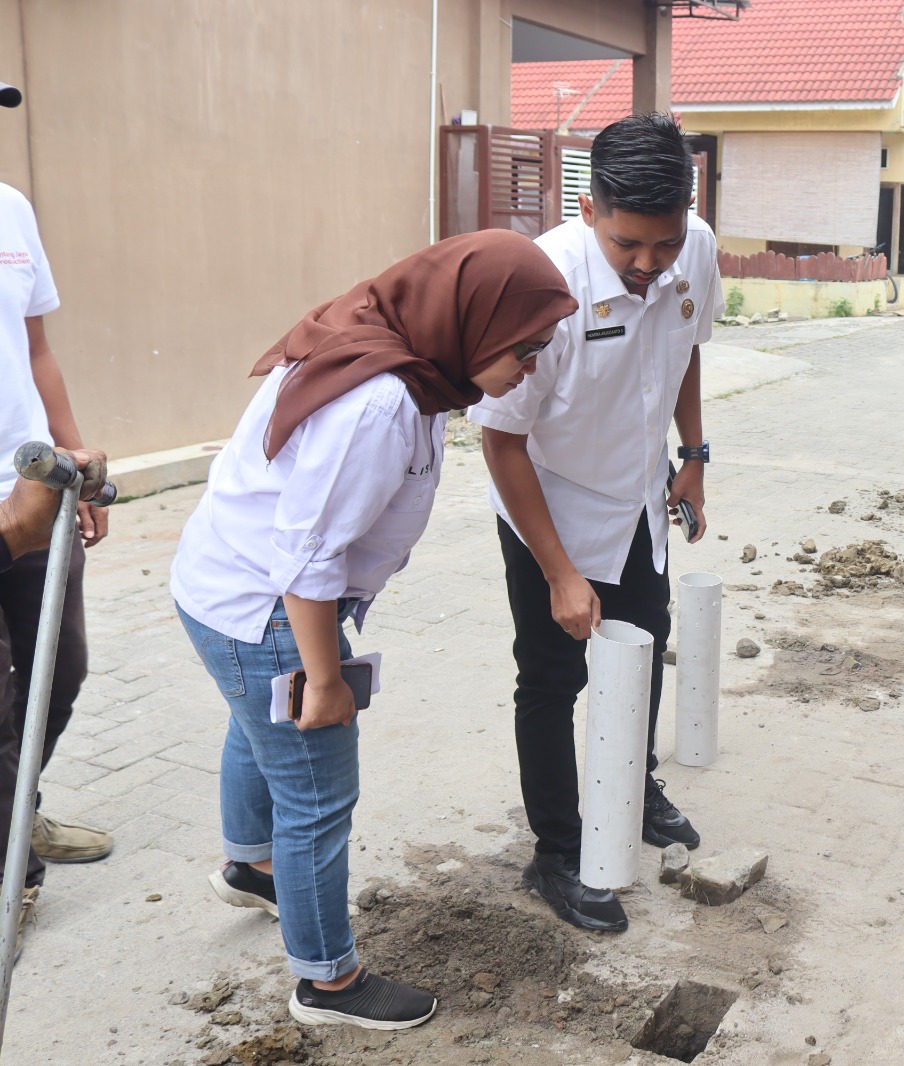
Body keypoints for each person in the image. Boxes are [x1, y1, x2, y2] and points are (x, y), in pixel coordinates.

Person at [171, 230, 577, 1030]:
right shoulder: (381, 401)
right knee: (318, 795)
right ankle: (328, 982)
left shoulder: (402, 353)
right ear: (467, 322)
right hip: (266, 609)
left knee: (258, 725)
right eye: (522, 349)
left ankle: (251, 865)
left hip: (222, 589)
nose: (526, 369)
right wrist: (324, 680)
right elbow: (308, 560)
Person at [468, 112, 723, 934]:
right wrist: (560, 573)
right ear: (588, 208)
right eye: (628, 247)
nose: (650, 265)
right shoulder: (541, 287)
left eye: (665, 242)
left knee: (640, 653)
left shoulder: (697, 253)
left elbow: (684, 349)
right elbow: (500, 441)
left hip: (640, 498)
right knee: (551, 678)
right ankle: (555, 848)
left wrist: (694, 455)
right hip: (548, 504)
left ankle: (633, 786)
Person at [0, 165, 116, 949]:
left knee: (59, 671)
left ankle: (15, 810)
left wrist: (71, 458)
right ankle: (14, 879)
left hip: (33, 483)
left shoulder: (10, 209)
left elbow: (36, 347)